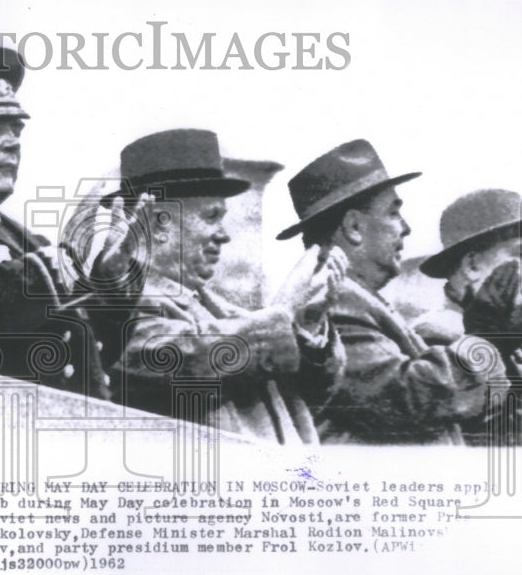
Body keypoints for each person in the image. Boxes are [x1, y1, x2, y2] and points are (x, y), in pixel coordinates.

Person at [0, 45, 147, 399]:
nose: (12, 143)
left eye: (15, 130)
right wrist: (73, 255)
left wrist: (108, 280)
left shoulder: (27, 241)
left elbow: (94, 354)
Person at [109, 129, 346, 443]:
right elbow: (182, 360)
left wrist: (307, 325)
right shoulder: (118, 309)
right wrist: (285, 311)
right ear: (158, 222)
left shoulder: (220, 309)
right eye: (211, 216)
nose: (224, 235)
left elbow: (311, 396)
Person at [277, 139, 505, 444]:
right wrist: (487, 338)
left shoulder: (356, 298)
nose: (406, 227)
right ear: (354, 226)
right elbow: (409, 396)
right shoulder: (333, 301)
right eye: (394, 213)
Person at [415, 189, 522, 444]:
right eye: (520, 255)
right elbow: (493, 439)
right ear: (471, 266)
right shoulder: (435, 335)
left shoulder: (513, 339)